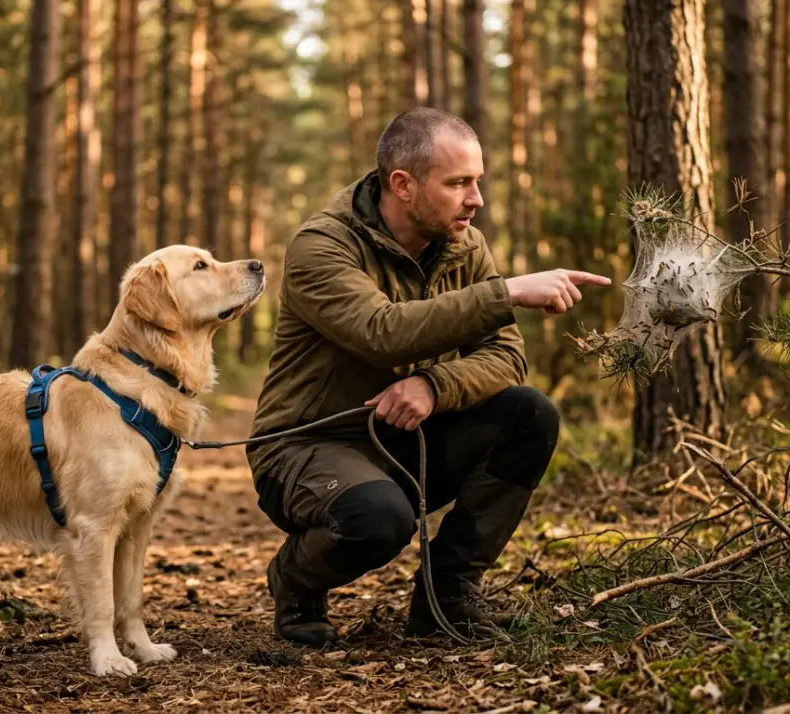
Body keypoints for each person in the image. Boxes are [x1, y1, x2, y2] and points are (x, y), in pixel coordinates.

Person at [246, 107, 611, 645]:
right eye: (458, 183)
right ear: (403, 184)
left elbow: (506, 356)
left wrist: (434, 387)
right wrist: (507, 291)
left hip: (405, 436)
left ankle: (447, 597)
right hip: (306, 447)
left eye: (477, 181)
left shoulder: (466, 246)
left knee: (529, 414)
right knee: (376, 520)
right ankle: (296, 579)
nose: (476, 199)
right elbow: (381, 331)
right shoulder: (321, 246)